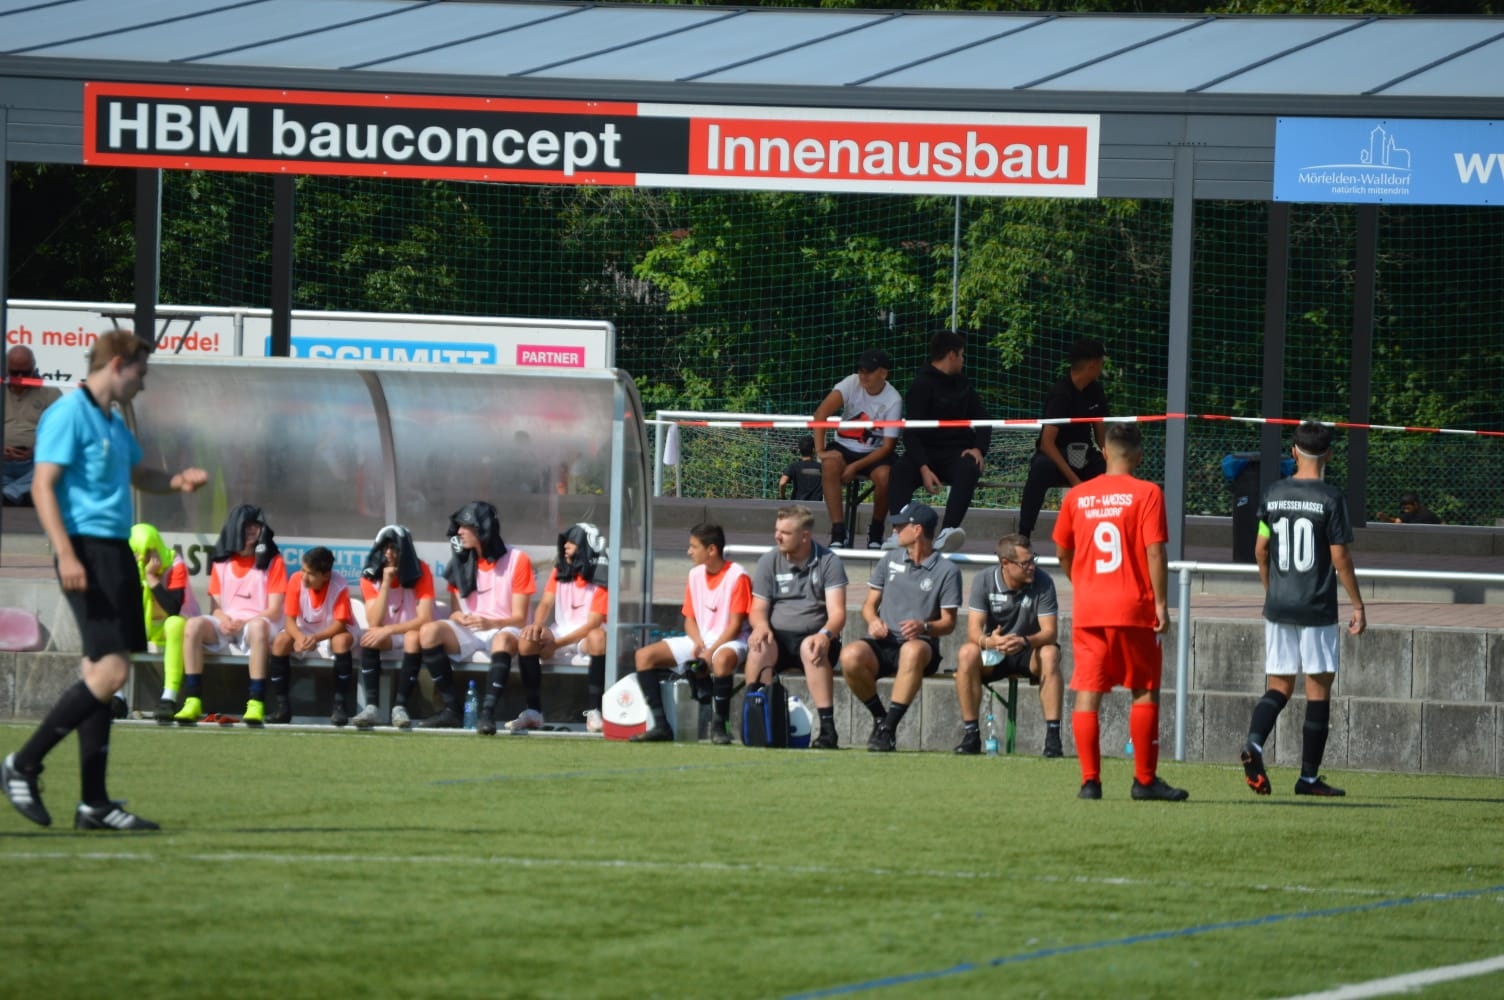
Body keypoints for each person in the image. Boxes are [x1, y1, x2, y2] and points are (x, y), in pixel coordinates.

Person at [3, 331, 206, 832]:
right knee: (111, 673)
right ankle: (23, 763)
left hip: (115, 553)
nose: (143, 382)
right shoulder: (67, 414)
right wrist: (66, 553)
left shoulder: (112, 420)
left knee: (99, 672)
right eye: (141, 372)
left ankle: (93, 804)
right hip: (85, 550)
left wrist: (176, 481)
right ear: (118, 364)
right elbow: (43, 487)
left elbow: (140, 473)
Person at [1052, 423, 1186, 802]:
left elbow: (1062, 551)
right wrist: (1161, 604)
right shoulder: (1148, 493)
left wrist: (1082, 581)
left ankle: (1090, 782)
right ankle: (1144, 780)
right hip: (1134, 607)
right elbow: (1155, 551)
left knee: (1088, 691)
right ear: (1139, 455)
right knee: (1143, 689)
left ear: (1104, 451)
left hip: (1090, 608)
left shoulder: (1078, 495)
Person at [1240, 421, 1367, 798]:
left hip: (1279, 605)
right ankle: (1308, 778)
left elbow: (1260, 550)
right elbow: (1340, 556)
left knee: (1279, 686)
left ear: (1293, 452)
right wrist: (1358, 604)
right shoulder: (1331, 498)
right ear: (1329, 455)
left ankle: (1254, 743)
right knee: (1318, 688)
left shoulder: (1274, 493)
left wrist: (1272, 591)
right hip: (1316, 606)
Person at [840, 501, 962, 753]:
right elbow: (868, 605)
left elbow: (949, 623)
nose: (894, 530)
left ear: (917, 530)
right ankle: (880, 718)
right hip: (884, 641)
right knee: (850, 656)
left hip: (921, 644)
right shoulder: (889, 559)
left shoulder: (947, 570)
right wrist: (873, 621)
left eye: (900, 525)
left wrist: (924, 627)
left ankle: (888, 729)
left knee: (912, 651)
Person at [407, 501, 533, 730]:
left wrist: (491, 622)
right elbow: (456, 610)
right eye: (459, 526)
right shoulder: (460, 560)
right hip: (471, 630)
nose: (459, 532)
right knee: (428, 632)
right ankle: (452, 710)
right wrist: (459, 618)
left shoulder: (517, 559)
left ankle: (487, 714)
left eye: (465, 526)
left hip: (504, 628)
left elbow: (520, 617)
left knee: (503, 639)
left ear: (482, 528)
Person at [632, 523, 751, 743]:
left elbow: (735, 626)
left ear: (711, 549)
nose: (689, 552)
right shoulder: (694, 575)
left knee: (722, 660)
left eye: (694, 547)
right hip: (701, 640)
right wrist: (698, 643)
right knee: (643, 656)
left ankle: (719, 727)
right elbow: (689, 620)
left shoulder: (738, 576)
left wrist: (709, 653)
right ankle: (661, 726)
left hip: (731, 641)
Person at [744, 504, 847, 750]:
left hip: (815, 637)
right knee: (759, 647)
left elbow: (838, 613)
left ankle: (828, 730)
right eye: (777, 530)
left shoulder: (829, 561)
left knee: (811, 647)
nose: (777, 537)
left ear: (804, 536)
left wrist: (825, 635)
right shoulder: (769, 560)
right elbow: (757, 609)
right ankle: (757, 719)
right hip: (778, 638)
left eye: (785, 533)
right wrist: (760, 626)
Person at [952, 534, 1064, 758]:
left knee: (1050, 653)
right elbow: (973, 631)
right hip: (995, 651)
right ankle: (971, 735)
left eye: (1033, 560)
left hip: (1028, 650)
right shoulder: (984, 580)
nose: (1032, 567)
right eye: (1025, 563)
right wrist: (991, 642)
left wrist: (1024, 641)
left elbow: (1050, 632)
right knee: (967, 652)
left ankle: (1053, 738)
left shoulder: (1044, 581)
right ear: (1005, 563)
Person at [175, 505, 287, 725]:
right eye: (247, 525)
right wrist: (224, 619)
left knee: (258, 627)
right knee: (193, 625)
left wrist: (245, 621)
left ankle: (255, 702)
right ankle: (192, 699)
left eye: (256, 525)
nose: (252, 530)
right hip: (227, 624)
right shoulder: (221, 562)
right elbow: (215, 609)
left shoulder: (274, 562)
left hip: (259, 624)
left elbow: (274, 610)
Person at [884, 330, 989, 554]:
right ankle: (899, 531)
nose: (963, 360)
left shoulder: (964, 384)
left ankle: (947, 532)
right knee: (900, 470)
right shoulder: (920, 385)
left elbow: (984, 419)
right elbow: (911, 433)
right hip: (924, 454)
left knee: (969, 467)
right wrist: (923, 466)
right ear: (951, 355)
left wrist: (979, 448)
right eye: (961, 355)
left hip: (955, 453)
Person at [517, 522, 610, 734]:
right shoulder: (560, 569)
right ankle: (533, 711)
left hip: (585, 637)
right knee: (527, 638)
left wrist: (556, 645)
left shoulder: (602, 575)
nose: (565, 546)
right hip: (561, 632)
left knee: (598, 637)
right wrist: (537, 626)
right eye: (565, 541)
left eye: (572, 542)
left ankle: (594, 711)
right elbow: (545, 603)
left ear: (586, 546)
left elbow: (593, 624)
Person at [1020, 338, 1109, 541]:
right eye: (1101, 363)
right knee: (1040, 469)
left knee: (1110, 472)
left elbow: (1101, 436)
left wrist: (1112, 460)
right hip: (1056, 456)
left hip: (1083, 454)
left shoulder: (1096, 390)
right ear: (1092, 365)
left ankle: (1105, 532)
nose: (1102, 367)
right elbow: (1046, 443)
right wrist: (1074, 480)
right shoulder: (1060, 394)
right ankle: (1023, 536)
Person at [813, 348, 902, 550]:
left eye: (869, 371)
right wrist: (820, 451)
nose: (863, 375)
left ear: (883, 373)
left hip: (874, 452)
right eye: (861, 370)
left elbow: (888, 447)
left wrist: (855, 467)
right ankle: (838, 531)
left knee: (886, 477)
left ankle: (876, 531)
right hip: (843, 447)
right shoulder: (851, 383)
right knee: (829, 466)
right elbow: (820, 414)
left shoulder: (893, 399)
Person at [351, 524, 435, 729]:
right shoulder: (369, 574)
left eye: (394, 548)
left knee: (412, 638)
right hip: (385, 635)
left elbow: (424, 618)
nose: (388, 553)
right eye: (385, 548)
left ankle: (400, 707)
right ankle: (371, 706)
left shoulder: (421, 570)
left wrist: (389, 629)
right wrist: (386, 583)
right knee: (370, 636)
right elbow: (374, 621)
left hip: (412, 632)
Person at [268, 546, 357, 726]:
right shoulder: (295, 580)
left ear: (326, 575)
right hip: (305, 631)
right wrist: (300, 638)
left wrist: (315, 638)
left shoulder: (339, 585)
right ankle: (282, 707)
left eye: (311, 574)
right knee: (280, 642)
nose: (304, 577)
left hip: (332, 631)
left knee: (341, 641)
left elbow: (340, 624)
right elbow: (289, 621)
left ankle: (339, 706)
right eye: (303, 570)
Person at [128, 522, 201, 724]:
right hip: (146, 626)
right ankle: (116, 696)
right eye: (136, 552)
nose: (140, 558)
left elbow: (173, 608)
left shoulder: (175, 564)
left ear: (155, 548)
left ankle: (169, 696)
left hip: (180, 628)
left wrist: (151, 578)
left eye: (145, 552)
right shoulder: (128, 566)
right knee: (116, 621)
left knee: (174, 623)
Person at [3, 344, 62, 506]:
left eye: (25, 372)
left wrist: (36, 450)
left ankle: (10, 493)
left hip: (34, 463)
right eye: (14, 372)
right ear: (5, 369)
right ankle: (22, 492)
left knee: (58, 465)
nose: (20, 377)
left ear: (34, 368)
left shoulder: (50, 393)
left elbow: (59, 432)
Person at [778, 435, 823, 502]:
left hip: (797, 505)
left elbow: (782, 483)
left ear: (799, 450)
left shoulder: (793, 467)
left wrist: (782, 497)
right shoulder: (822, 468)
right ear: (814, 450)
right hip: (816, 505)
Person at [1376, 491, 1441, 525]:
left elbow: (1441, 525)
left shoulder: (1425, 515)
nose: (1405, 511)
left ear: (1415, 504)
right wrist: (1386, 518)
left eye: (1408, 508)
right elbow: (1397, 521)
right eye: (1404, 508)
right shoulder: (1409, 513)